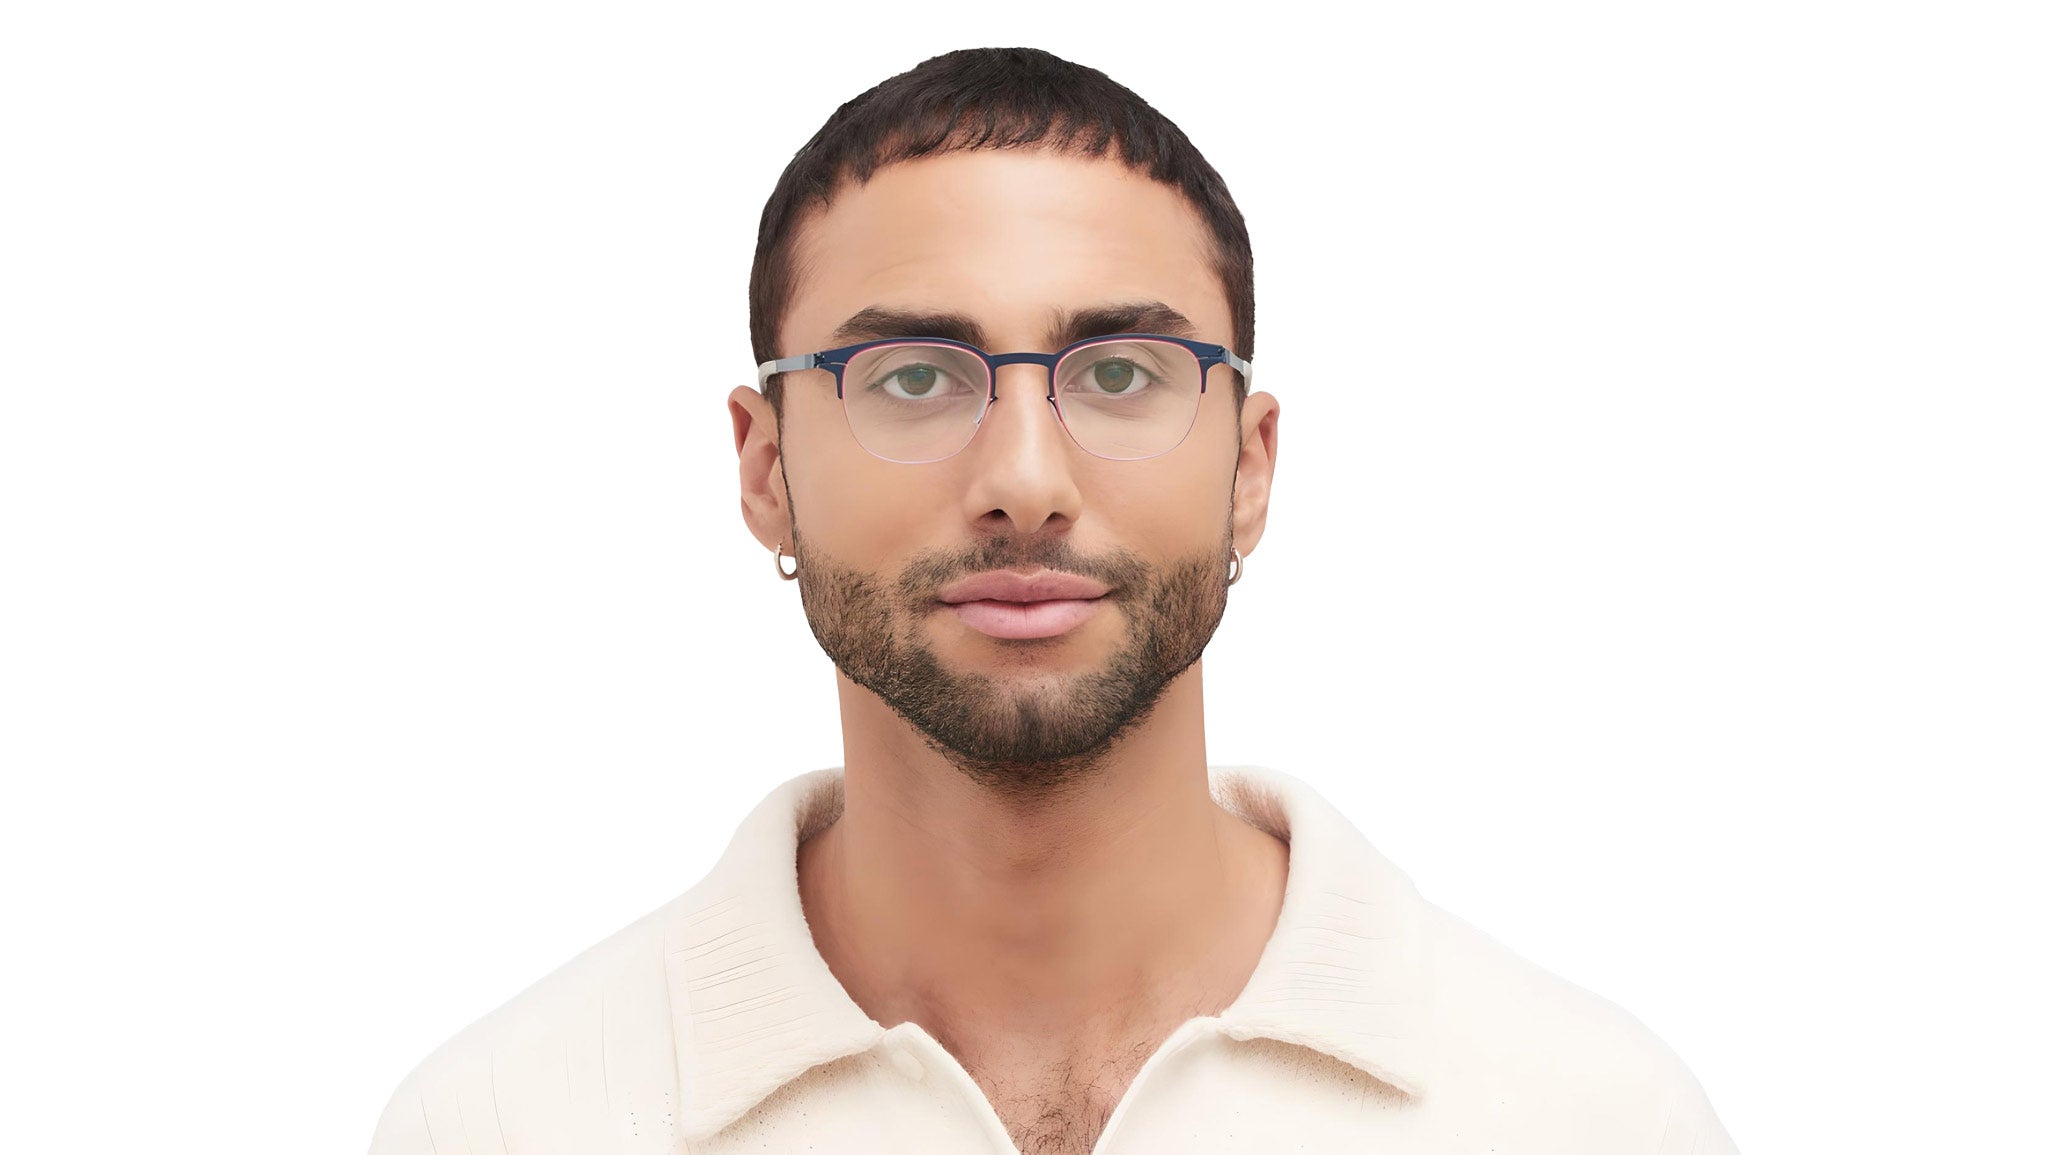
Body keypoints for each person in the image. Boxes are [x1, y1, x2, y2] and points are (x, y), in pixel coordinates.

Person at [369, 46, 1736, 1155]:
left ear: (1251, 467)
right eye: (913, 377)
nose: (1024, 482)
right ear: (767, 469)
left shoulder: (1592, 1121)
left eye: (1122, 373)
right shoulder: (500, 1127)